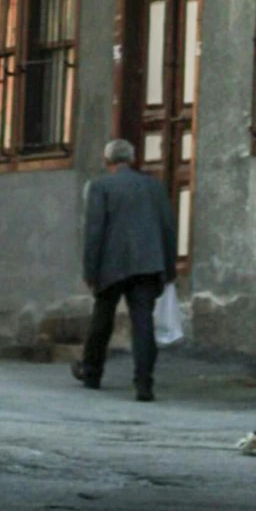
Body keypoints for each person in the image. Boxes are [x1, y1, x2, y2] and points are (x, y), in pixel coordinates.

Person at [73, 139, 177, 403]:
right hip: (147, 263)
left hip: (112, 263)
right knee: (143, 324)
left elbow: (94, 232)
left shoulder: (100, 186)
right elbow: (167, 227)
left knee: (102, 319)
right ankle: (144, 383)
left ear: (107, 162)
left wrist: (90, 270)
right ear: (131, 159)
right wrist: (169, 267)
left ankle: (92, 372)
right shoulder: (154, 187)